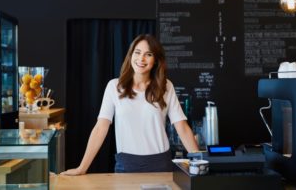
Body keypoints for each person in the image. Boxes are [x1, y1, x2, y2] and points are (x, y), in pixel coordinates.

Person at [61, 34, 198, 175]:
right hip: (126, 165)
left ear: (156, 60)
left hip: (160, 164)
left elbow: (182, 127)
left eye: (148, 54)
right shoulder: (114, 86)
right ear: (130, 55)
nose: (141, 59)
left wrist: (199, 163)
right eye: (137, 52)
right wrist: (82, 168)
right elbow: (100, 128)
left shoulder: (166, 86)